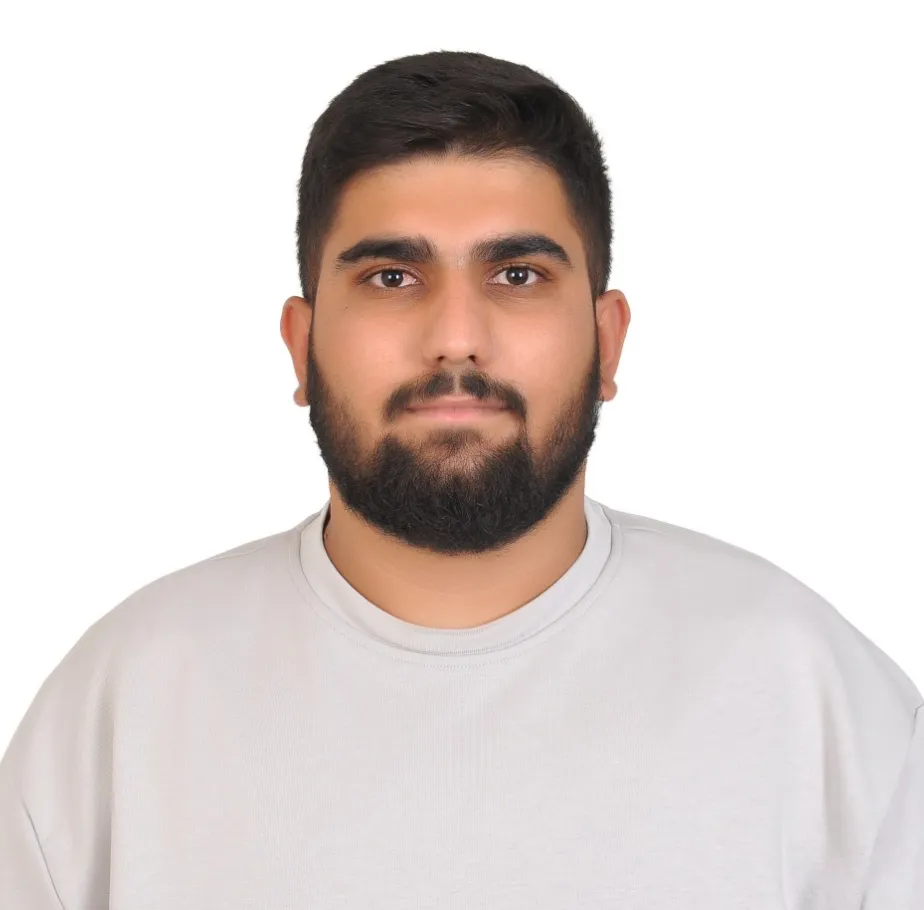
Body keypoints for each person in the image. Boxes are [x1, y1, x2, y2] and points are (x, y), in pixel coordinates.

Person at [1, 49, 920, 909]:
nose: (454, 338)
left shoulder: (817, 699)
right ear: (301, 345)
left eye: (517, 274)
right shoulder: (120, 707)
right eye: (391, 277)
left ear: (607, 343)